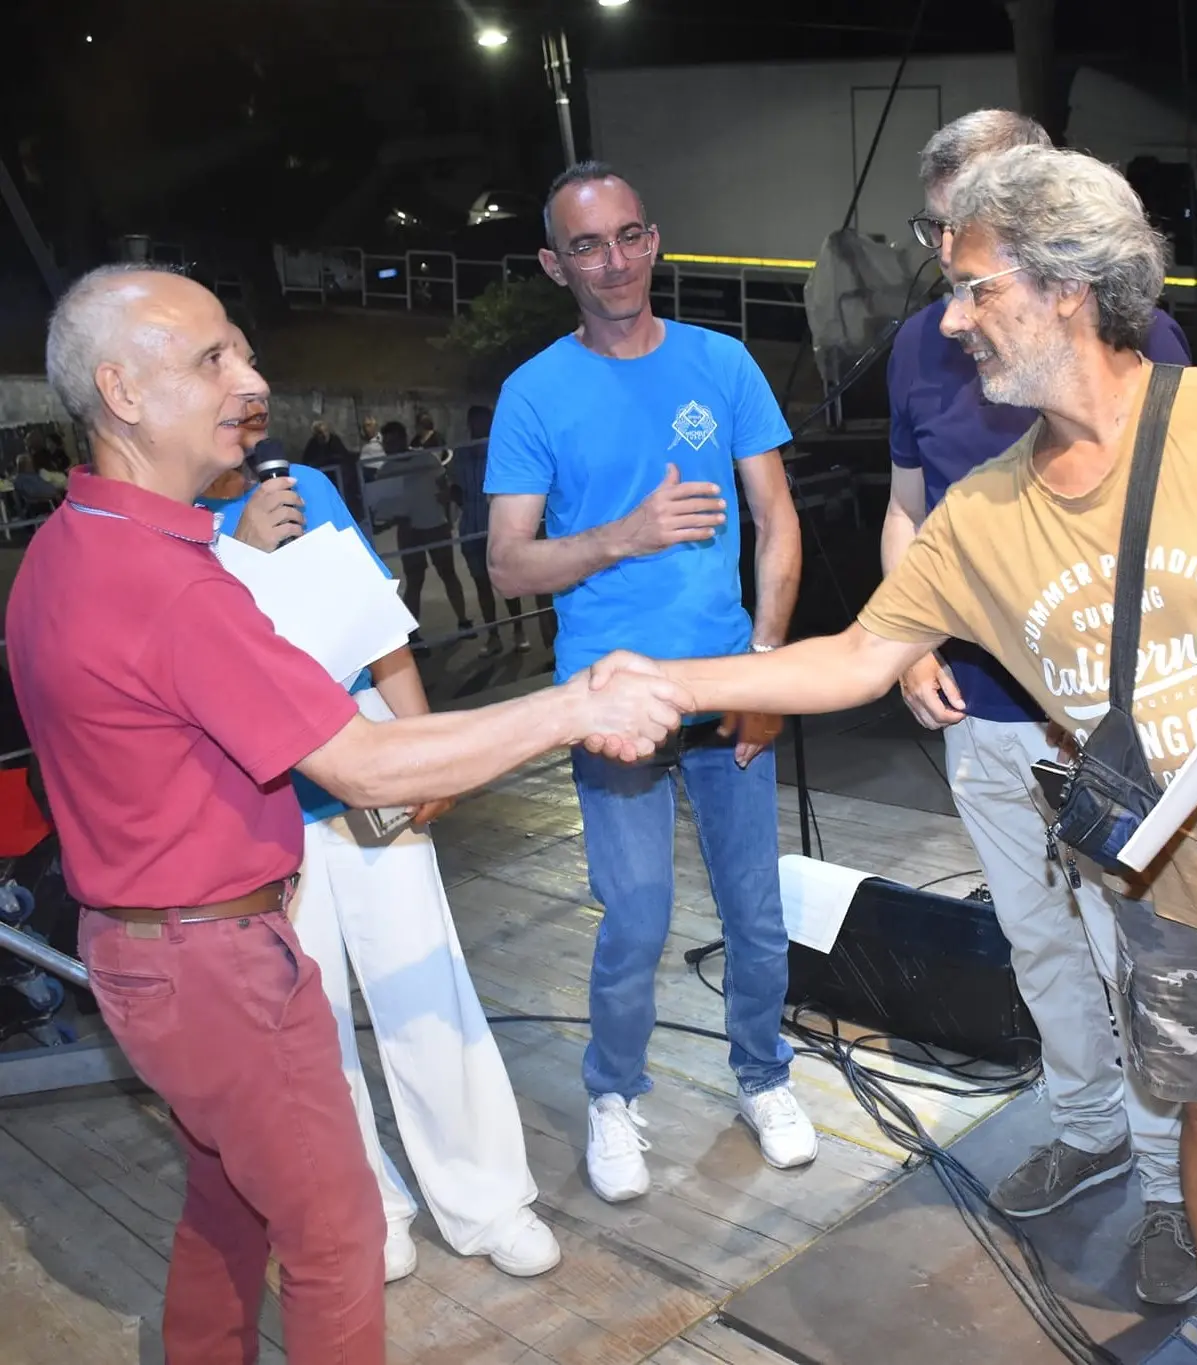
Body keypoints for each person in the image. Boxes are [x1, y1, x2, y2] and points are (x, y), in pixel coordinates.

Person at [589, 145, 1197, 1365]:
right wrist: (674, 682)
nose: (951, 319)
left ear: (1068, 286)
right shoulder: (984, 512)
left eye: (976, 288)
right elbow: (853, 660)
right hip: (1165, 883)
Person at [4, 264, 689, 1363]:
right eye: (213, 359)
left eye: (243, 350)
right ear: (121, 392)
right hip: (215, 965)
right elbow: (362, 765)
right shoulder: (167, 582)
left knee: (227, 1203)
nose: (250, 379)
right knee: (335, 1238)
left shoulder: (66, 545)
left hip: (142, 952)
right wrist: (573, 707)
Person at [886, 109, 1196, 1304]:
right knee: (1036, 937)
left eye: (976, 225)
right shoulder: (923, 342)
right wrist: (910, 638)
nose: (950, 255)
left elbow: (1174, 518)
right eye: (938, 227)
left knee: (1138, 953)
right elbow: (908, 506)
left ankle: (1174, 1186)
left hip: (1107, 723)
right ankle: (1088, 1127)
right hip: (979, 708)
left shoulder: (1136, 333)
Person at [485, 161, 816, 1203]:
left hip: (725, 686)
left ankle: (763, 1075)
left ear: (654, 239)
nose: (613, 260)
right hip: (610, 702)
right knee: (634, 916)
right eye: (587, 245)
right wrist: (620, 537)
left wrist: (766, 668)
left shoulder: (721, 363)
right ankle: (614, 1094)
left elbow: (778, 521)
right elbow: (508, 565)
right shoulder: (534, 392)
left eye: (628, 236)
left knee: (755, 914)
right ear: (556, 265)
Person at [199, 404, 561, 1284]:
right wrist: (238, 553)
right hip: (255, 789)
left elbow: (380, 632)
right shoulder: (164, 527)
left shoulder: (301, 486)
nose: (240, 396)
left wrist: (424, 749)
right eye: (213, 368)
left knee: (423, 979)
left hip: (361, 751)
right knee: (308, 1014)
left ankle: (486, 1199)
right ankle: (368, 1205)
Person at [378, 418, 472, 648]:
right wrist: (391, 518)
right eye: (386, 443)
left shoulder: (426, 458)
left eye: (393, 442)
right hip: (408, 530)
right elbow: (384, 506)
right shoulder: (386, 470)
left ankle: (463, 621)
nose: (389, 447)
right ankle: (413, 634)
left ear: (403, 439)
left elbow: (444, 488)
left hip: (435, 524)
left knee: (448, 573)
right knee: (414, 580)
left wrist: (448, 519)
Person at [450, 403, 530, 656]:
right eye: (474, 421)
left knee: (507, 581)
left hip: (497, 524)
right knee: (481, 583)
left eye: (483, 420)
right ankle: (493, 635)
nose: (479, 426)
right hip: (471, 525)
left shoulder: (502, 449)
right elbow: (455, 487)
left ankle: (519, 631)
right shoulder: (461, 453)